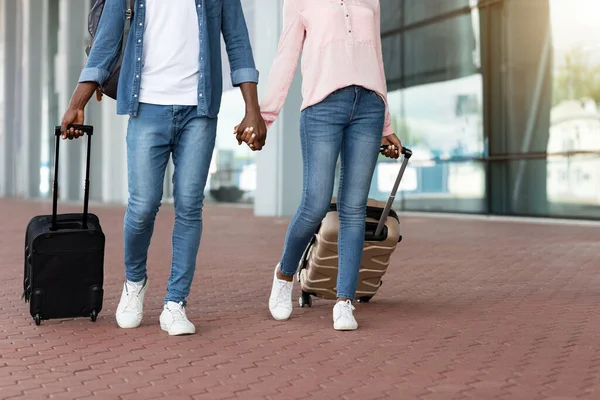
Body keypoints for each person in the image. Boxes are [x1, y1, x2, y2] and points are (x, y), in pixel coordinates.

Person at [61, 0, 266, 336]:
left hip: (198, 109)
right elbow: (107, 40)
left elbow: (238, 41)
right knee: (142, 206)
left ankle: (175, 303)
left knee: (189, 204)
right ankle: (134, 281)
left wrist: (252, 109)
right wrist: (76, 104)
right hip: (145, 108)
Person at [237, 0, 402, 331]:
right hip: (322, 107)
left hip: (368, 107)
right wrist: (265, 115)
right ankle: (285, 274)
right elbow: (286, 55)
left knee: (353, 208)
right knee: (314, 204)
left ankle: (344, 301)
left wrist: (386, 124)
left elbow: (377, 57)